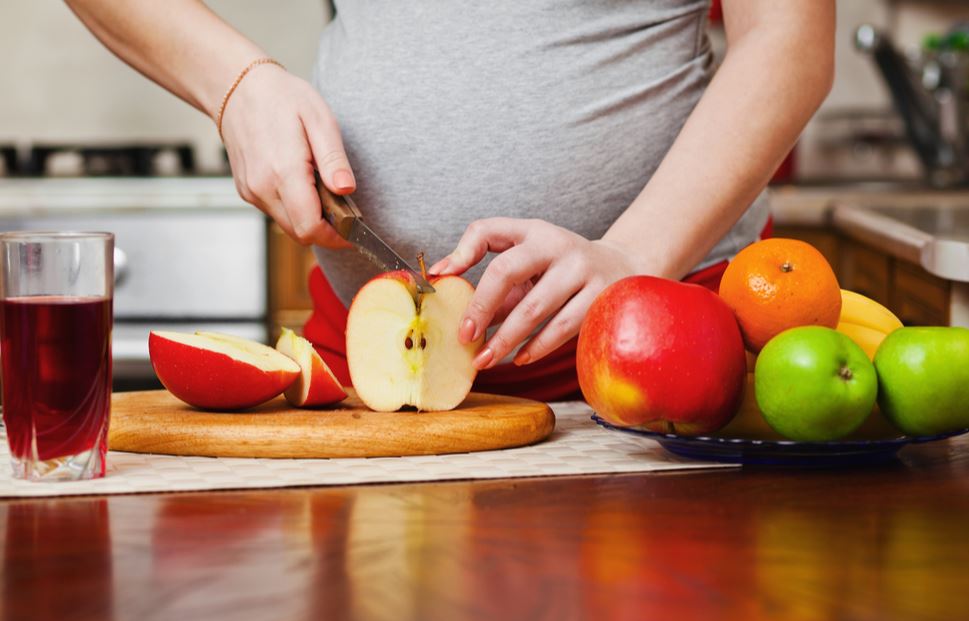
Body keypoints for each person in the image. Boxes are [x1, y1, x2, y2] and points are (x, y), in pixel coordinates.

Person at [67, 0, 835, 400]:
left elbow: (789, 38)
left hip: (667, 361)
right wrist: (231, 83)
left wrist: (632, 256)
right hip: (368, 372)